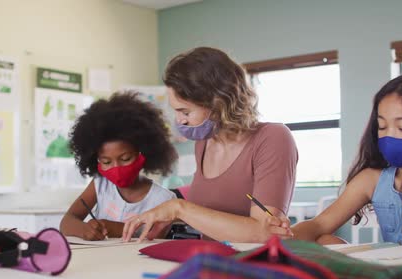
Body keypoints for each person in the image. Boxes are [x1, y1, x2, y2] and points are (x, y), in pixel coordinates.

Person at [122, 47, 298, 243]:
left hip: (248, 267)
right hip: (209, 263)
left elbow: (266, 233)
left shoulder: (273, 138)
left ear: (218, 103)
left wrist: (179, 208)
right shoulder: (204, 143)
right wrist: (170, 218)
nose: (179, 121)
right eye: (177, 112)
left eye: (185, 112)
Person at [293, 73, 402, 246]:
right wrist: (284, 236)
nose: (389, 136)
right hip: (394, 270)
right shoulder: (372, 180)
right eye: (382, 126)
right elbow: (320, 224)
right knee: (325, 240)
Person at [60, 92, 178, 240]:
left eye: (125, 158)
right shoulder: (100, 184)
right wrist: (84, 229)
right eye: (106, 162)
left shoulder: (163, 199)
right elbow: (67, 221)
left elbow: (152, 239)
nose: (116, 168)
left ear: (143, 152)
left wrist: (115, 228)